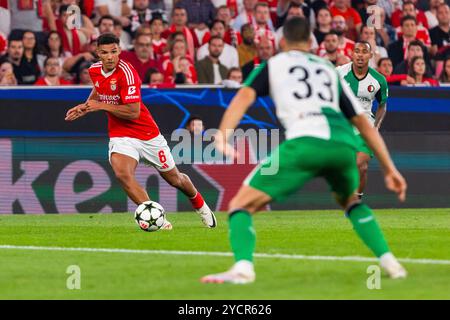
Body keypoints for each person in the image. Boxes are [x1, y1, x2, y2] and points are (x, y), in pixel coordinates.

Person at [201, 17, 407, 284]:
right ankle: (390, 263)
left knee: (240, 205)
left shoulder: (274, 64)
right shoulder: (328, 69)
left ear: (281, 41)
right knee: (351, 202)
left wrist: (223, 136)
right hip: (342, 147)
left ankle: (242, 269)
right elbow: (363, 124)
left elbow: (243, 97)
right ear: (311, 43)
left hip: (305, 143)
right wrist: (390, 168)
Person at [65, 33, 217, 230]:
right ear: (98, 53)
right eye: (104, 53)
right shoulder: (94, 70)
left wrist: (100, 106)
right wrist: (85, 107)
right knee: (122, 174)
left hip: (147, 134)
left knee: (175, 179)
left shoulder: (127, 73)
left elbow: (133, 112)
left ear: (119, 50)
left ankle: (201, 206)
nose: (110, 56)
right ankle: (157, 220)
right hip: (121, 135)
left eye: (113, 52)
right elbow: (99, 90)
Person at [337, 41, 389, 200]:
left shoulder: (378, 80)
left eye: (364, 52)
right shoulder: (339, 73)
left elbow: (382, 106)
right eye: (357, 51)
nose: (360, 55)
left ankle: (355, 199)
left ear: (370, 55)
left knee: (360, 165)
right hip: (343, 126)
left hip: (365, 127)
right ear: (352, 54)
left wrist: (376, 126)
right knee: (357, 167)